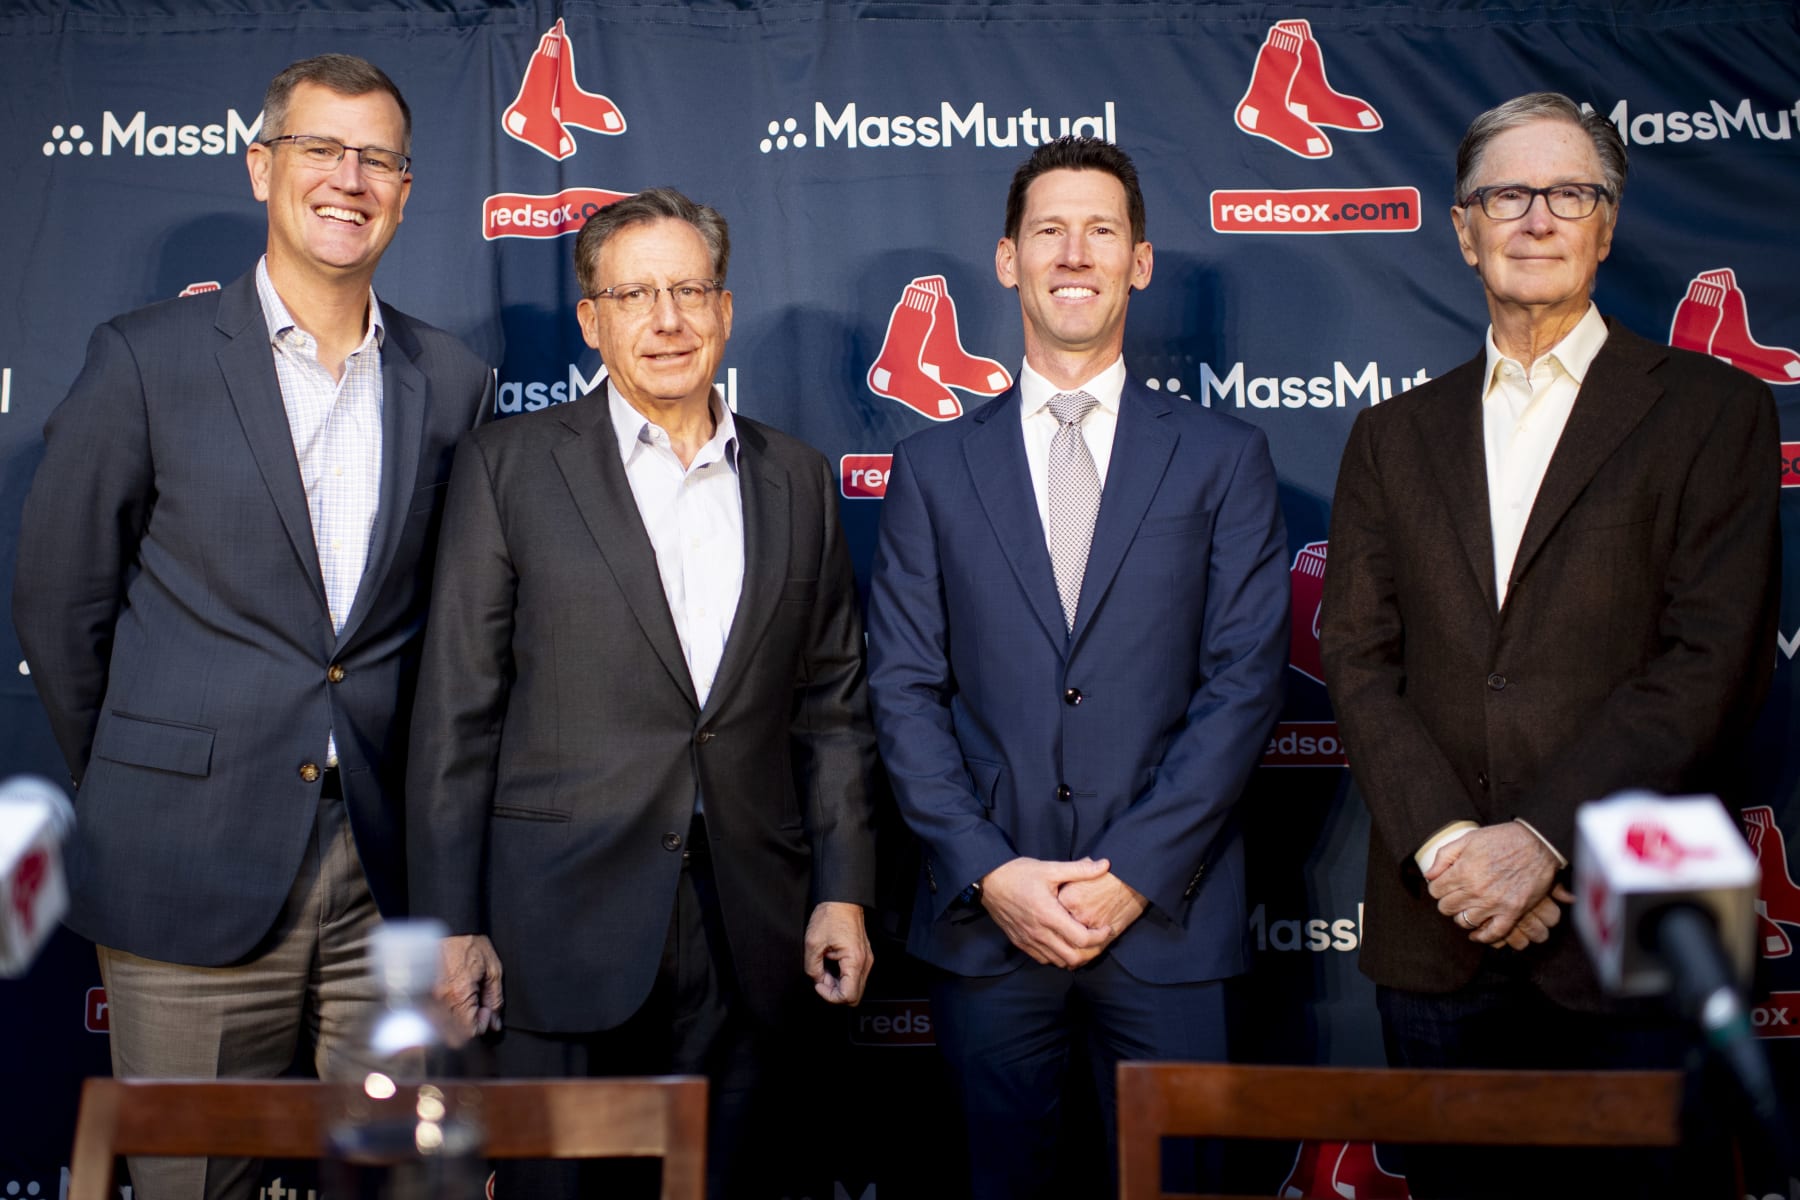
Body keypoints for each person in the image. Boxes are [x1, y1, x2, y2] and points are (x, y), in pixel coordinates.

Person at [12, 54, 492, 1200]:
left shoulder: (454, 380)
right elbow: (62, 603)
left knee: (400, 1184)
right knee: (189, 1180)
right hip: (181, 858)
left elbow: (453, 632)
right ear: (262, 165)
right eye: (322, 149)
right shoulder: (146, 359)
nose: (349, 178)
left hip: (391, 874)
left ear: (409, 190)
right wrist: (151, 776)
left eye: (377, 157)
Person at [1320, 92, 1779, 1199]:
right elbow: (1358, 660)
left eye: (1570, 193)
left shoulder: (1718, 410)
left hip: (1645, 919)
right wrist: (1452, 852)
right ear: (1463, 228)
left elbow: (1710, 663)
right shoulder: (1391, 435)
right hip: (1440, 923)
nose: (1538, 217)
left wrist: (1539, 837)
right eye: (1507, 194)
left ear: (1606, 226)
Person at [406, 187, 878, 1199]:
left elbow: (833, 711)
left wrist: (842, 889)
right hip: (557, 933)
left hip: (754, 933)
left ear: (725, 308)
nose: (666, 320)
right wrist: (452, 922)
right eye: (634, 294)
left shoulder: (799, 479)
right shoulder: (508, 467)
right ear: (592, 319)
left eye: (688, 290)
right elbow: (458, 711)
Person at [865, 136, 1290, 1197]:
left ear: (1140, 262)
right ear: (1006, 259)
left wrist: (1135, 873)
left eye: (1101, 230)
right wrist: (993, 872)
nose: (1074, 253)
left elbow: (1243, 683)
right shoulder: (928, 468)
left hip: (1168, 926)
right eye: (1049, 229)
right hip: (989, 923)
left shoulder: (1223, 457)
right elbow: (904, 689)